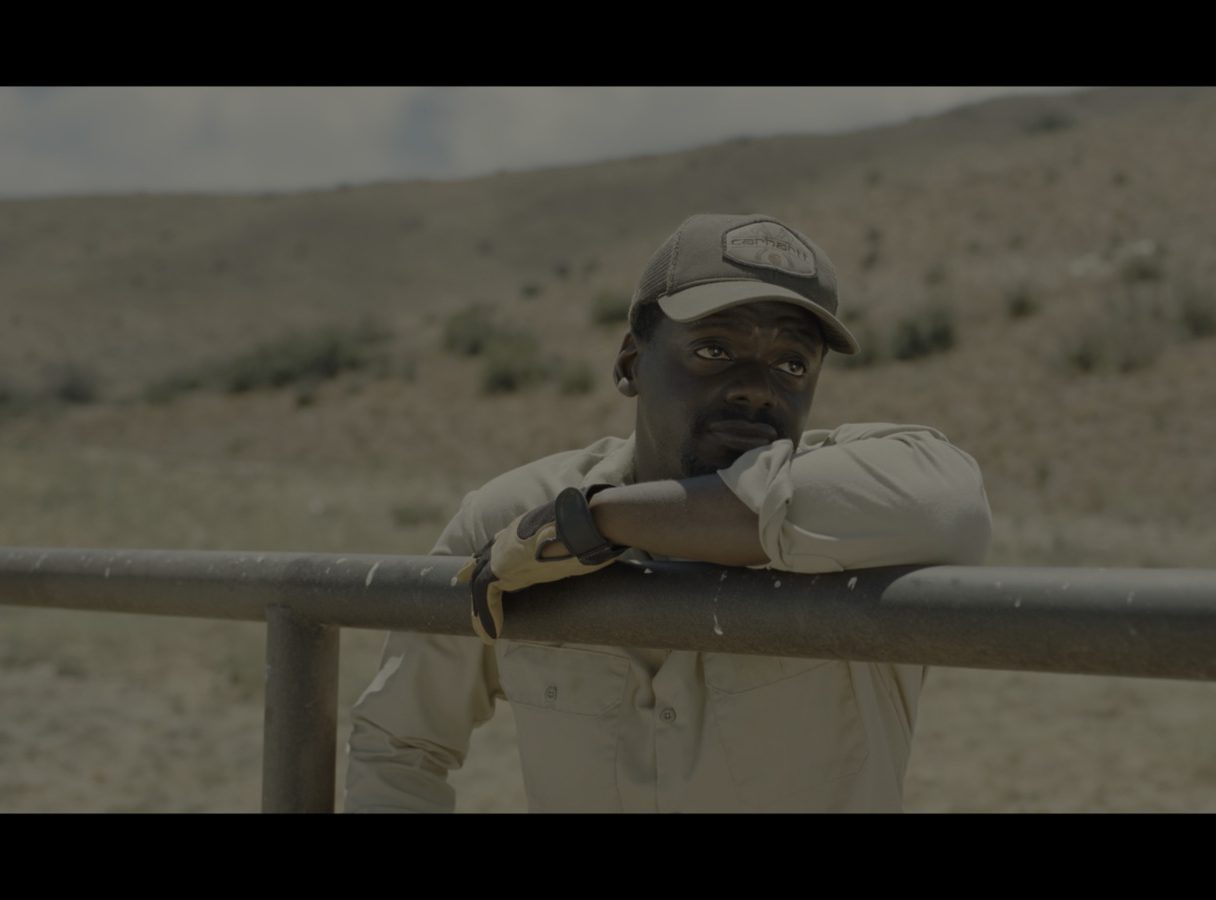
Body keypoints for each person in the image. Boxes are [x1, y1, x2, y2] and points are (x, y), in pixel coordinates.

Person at [344, 213, 992, 812]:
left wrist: (596, 524)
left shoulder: (871, 506)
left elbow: (954, 507)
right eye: (713, 349)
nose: (755, 386)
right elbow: (398, 744)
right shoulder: (509, 519)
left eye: (792, 363)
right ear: (631, 362)